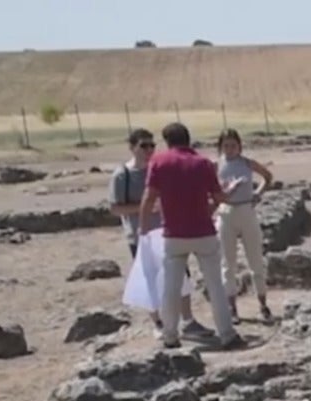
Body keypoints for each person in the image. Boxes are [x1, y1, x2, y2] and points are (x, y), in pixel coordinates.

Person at [138, 122, 243, 351]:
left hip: (174, 234)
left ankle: (170, 335)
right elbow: (219, 197)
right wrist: (230, 190)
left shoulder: (159, 162)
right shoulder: (203, 163)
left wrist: (143, 228)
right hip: (203, 232)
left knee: (171, 287)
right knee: (215, 285)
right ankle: (227, 334)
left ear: (167, 141)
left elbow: (149, 197)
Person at [109, 129, 211, 340]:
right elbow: (115, 208)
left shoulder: (159, 168)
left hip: (168, 232)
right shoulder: (122, 175)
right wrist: (144, 208)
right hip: (141, 236)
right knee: (150, 279)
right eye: (143, 146)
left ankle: (187, 320)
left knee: (181, 275)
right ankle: (158, 323)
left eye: (151, 145)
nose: (148, 150)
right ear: (132, 147)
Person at [214, 130, 276, 323]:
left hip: (246, 210)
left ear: (239, 146)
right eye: (226, 146)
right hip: (226, 212)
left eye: (233, 145)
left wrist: (258, 194)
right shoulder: (216, 165)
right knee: (228, 263)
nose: (230, 149)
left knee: (255, 260)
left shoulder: (247, 163)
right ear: (220, 147)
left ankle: (263, 305)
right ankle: (232, 307)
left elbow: (267, 176)